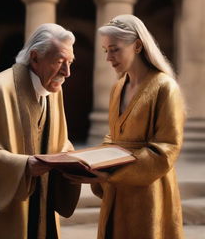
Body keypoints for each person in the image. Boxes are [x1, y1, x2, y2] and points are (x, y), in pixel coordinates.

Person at [67, 14, 185, 239]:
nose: (109, 58)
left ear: (138, 45)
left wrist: (112, 175)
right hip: (116, 190)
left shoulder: (165, 87)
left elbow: (167, 148)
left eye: (115, 49)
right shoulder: (118, 87)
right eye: (105, 51)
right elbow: (113, 136)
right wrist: (93, 164)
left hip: (149, 191)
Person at [0, 23, 81, 239]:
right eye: (59, 62)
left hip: (43, 203)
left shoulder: (55, 90)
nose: (67, 73)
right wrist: (24, 166)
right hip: (5, 208)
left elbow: (60, 141)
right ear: (35, 57)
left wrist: (76, 162)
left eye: (70, 63)